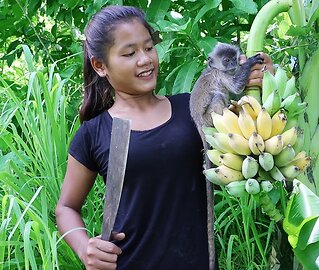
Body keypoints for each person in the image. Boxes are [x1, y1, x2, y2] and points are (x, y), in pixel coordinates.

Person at [55, 5, 274, 270]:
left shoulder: (191, 109)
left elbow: (251, 151)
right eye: (130, 52)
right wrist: (84, 246)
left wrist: (263, 85)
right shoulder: (94, 133)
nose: (145, 59)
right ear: (100, 66)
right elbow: (66, 208)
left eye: (149, 48)